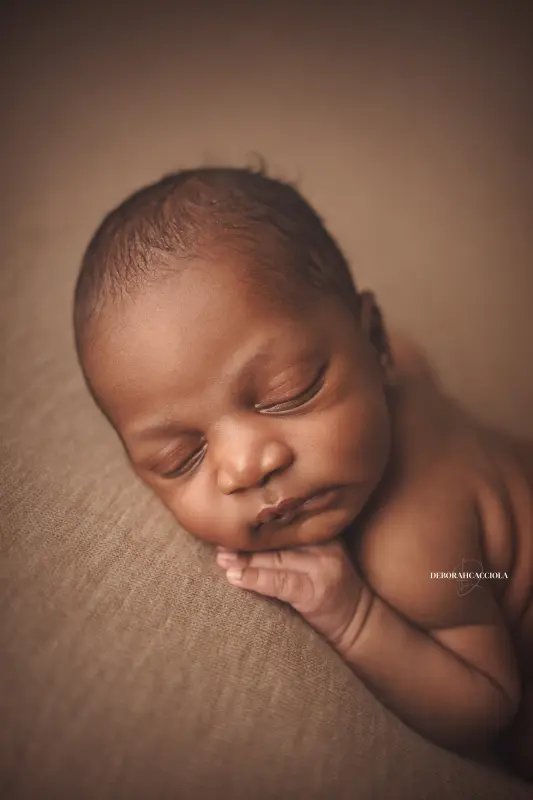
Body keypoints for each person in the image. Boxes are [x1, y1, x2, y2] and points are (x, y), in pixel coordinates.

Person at [72, 165, 533, 781]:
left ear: (374, 341)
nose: (246, 467)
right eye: (180, 458)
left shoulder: (413, 544)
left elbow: (489, 703)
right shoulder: (404, 369)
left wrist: (354, 616)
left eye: (289, 393)